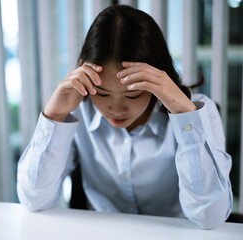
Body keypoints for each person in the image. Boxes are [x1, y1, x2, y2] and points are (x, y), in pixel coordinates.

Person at [16, 4, 232, 229]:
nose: (116, 109)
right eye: (102, 93)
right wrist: (54, 116)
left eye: (133, 95)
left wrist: (184, 116)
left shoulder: (199, 112)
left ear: (158, 77)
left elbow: (209, 216)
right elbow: (34, 200)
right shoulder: (77, 111)